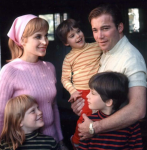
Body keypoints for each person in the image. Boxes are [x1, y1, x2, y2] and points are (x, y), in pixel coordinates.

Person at [71, 4, 147, 140]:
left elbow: (138, 110)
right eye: (95, 30)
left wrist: (94, 127)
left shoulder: (131, 58)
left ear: (120, 27)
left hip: (117, 139)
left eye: (105, 28)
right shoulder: (107, 50)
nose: (99, 36)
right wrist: (83, 107)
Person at [0, 14, 67, 149]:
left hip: (52, 142)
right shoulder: (10, 71)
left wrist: (61, 140)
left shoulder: (49, 67)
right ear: (23, 40)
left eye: (45, 35)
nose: (45, 41)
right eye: (38, 37)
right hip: (24, 144)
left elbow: (54, 108)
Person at [56, 19, 102, 148]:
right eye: (72, 36)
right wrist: (73, 91)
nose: (78, 36)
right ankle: (76, 141)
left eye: (78, 31)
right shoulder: (69, 58)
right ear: (66, 43)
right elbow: (64, 79)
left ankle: (89, 143)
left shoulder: (96, 46)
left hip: (98, 90)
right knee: (85, 118)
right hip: (82, 92)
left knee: (98, 118)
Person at [78, 72, 143, 150]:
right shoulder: (88, 122)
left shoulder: (131, 123)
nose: (87, 96)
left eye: (93, 93)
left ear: (108, 101)